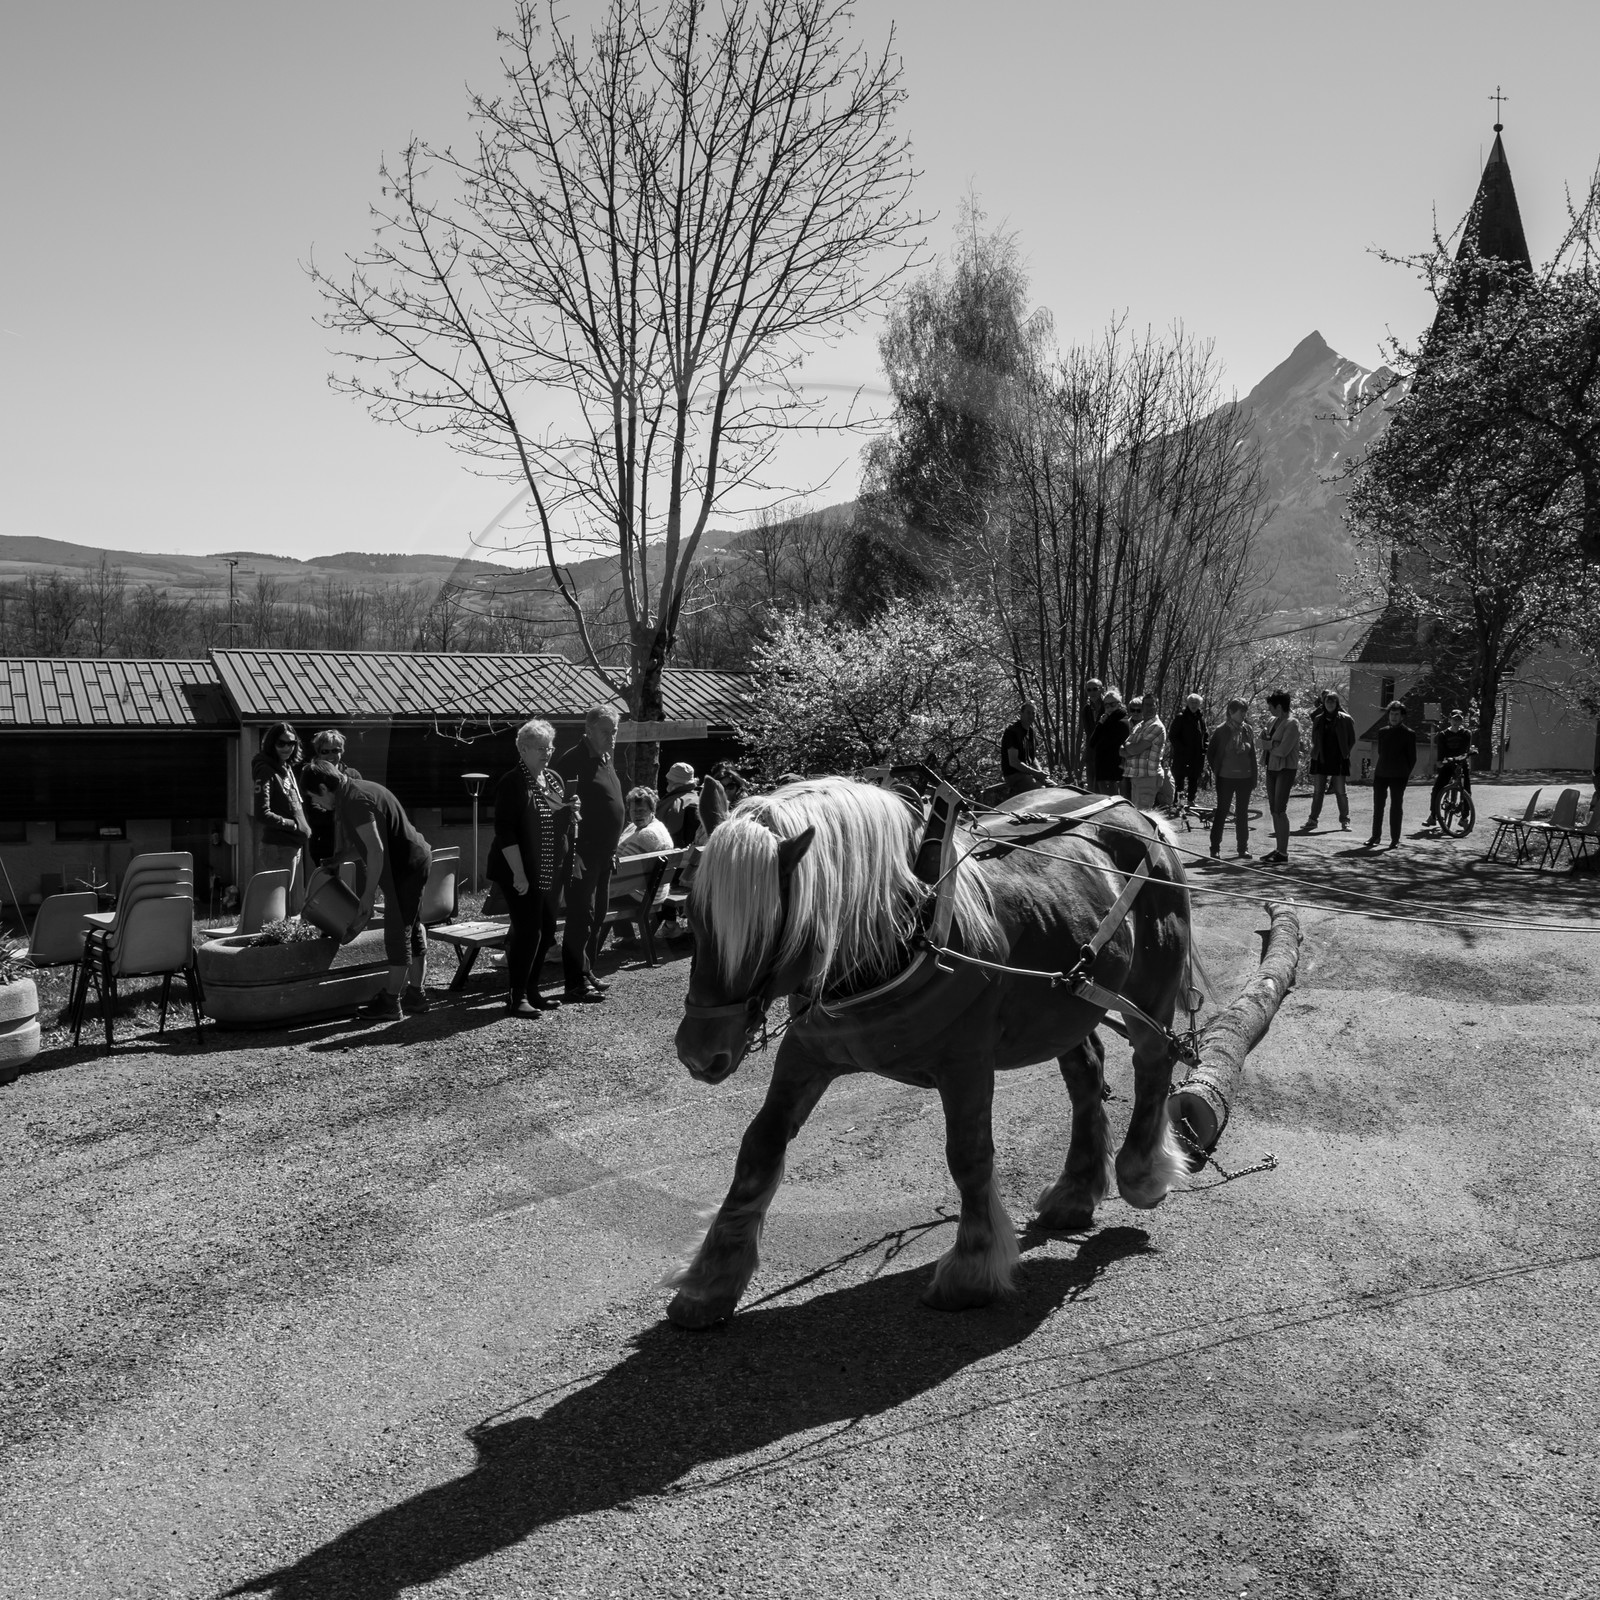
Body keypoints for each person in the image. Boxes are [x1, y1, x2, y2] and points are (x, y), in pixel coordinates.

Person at [301, 761, 433, 1018]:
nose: (315, 803)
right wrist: (339, 859)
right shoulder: (357, 789)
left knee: (397, 934)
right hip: (413, 861)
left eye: (314, 797)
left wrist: (368, 894)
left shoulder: (355, 801)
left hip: (404, 869)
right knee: (411, 927)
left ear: (323, 787)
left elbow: (375, 850)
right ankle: (415, 996)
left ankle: (390, 1002)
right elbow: (369, 844)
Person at [485, 719, 573, 1018]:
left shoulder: (553, 779)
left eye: (550, 747)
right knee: (528, 931)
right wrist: (520, 873)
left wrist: (571, 812)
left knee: (546, 929)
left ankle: (533, 990)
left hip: (549, 866)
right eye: (540, 748)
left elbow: (558, 827)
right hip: (518, 869)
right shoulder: (513, 782)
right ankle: (516, 995)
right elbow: (505, 830)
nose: (547, 753)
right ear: (522, 750)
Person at [555, 706, 627, 1004]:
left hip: (604, 854)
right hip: (581, 856)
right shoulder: (572, 762)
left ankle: (586, 969)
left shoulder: (606, 758)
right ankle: (573, 983)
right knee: (580, 918)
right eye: (606, 731)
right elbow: (559, 813)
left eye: (614, 731)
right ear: (589, 730)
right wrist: (572, 853)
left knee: (598, 916)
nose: (612, 737)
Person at [251, 722, 310, 912]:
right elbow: (262, 813)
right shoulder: (265, 770)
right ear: (271, 744)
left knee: (291, 906)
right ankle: (276, 941)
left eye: (291, 743)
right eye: (281, 743)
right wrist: (293, 825)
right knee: (277, 907)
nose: (286, 748)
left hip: (292, 846)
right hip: (277, 847)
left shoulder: (286, 768)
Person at [1206, 698, 1258, 860]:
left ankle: (1243, 848)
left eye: (1245, 711)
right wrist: (1218, 771)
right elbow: (1211, 753)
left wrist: (1254, 777)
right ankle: (1215, 848)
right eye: (1240, 711)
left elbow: (1252, 754)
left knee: (1242, 813)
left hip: (1245, 777)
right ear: (1231, 712)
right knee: (1222, 811)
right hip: (1226, 778)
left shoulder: (1247, 730)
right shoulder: (1222, 730)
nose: (1244, 714)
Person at [303, 730, 362, 866]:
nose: (331, 755)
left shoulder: (352, 774)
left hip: (352, 847)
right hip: (325, 845)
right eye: (325, 751)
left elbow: (359, 809)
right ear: (318, 752)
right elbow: (315, 813)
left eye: (335, 750)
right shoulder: (310, 775)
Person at [1259, 689, 1301, 865]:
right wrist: (1270, 744)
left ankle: (1283, 852)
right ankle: (1278, 848)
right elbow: (1264, 743)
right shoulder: (1272, 721)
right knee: (1274, 810)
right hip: (1272, 768)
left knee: (1280, 809)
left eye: (1271, 706)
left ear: (1279, 706)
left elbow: (1283, 750)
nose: (1269, 710)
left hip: (1285, 769)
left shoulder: (1292, 724)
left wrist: (1268, 745)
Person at [1369, 700, 1418, 849]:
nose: (1394, 717)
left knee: (1396, 807)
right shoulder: (1382, 732)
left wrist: (1404, 773)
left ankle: (1394, 839)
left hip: (1399, 775)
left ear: (1402, 716)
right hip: (1381, 773)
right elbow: (1380, 752)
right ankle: (1375, 836)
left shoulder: (1409, 734)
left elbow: (1412, 758)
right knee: (1378, 806)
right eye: (1391, 714)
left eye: (1397, 714)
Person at [1304, 690, 1354, 832]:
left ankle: (1345, 821)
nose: (1330, 704)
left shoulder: (1345, 719)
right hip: (1321, 758)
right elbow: (1314, 738)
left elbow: (1351, 739)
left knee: (1340, 792)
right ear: (1323, 703)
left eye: (1332, 701)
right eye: (1327, 701)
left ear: (1337, 703)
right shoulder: (1319, 719)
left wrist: (1345, 752)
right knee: (1318, 791)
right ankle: (1312, 820)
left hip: (1338, 760)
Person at [1425, 708, 1475, 828]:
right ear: (1449, 720)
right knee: (1437, 789)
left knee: (1466, 790)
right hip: (1447, 764)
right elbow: (1441, 752)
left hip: (1461, 764)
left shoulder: (1466, 734)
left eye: (1458, 720)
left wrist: (1460, 759)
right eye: (1454, 719)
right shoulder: (1443, 735)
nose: (1456, 722)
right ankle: (1433, 815)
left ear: (1461, 721)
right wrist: (1441, 762)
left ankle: (1464, 817)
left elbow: (1465, 750)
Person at [1122, 693, 1167, 810]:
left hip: (1148, 777)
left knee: (1144, 814)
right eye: (1147, 705)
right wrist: (1130, 748)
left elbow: (1133, 749)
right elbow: (1122, 750)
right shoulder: (1139, 726)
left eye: (1153, 705)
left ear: (1157, 706)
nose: (1150, 708)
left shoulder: (1157, 726)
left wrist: (1130, 748)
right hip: (1136, 776)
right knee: (1137, 814)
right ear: (1142, 706)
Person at [1087, 688, 1130, 798]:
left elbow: (1104, 745)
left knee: (1113, 804)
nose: (1110, 708)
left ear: (1119, 704)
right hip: (1103, 771)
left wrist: (1102, 727)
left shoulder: (1123, 722)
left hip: (1114, 773)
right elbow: (1092, 743)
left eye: (1113, 704)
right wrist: (1100, 723)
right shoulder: (1106, 721)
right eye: (1106, 705)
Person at [1168, 694, 1208, 812]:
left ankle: (1191, 801)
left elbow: (1205, 734)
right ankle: (1179, 804)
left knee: (1193, 779)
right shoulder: (1181, 717)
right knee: (1179, 780)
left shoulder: (1200, 718)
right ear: (1188, 703)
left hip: (1197, 755)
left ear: (1199, 704)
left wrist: (1205, 747)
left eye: (1196, 703)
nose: (1194, 705)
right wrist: (1181, 749)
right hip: (1182, 756)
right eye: (1192, 703)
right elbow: (1172, 736)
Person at [1000, 702, 1048, 796]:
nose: (1031, 716)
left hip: (1029, 774)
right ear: (1021, 714)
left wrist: (1039, 772)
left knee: (1056, 789)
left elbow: (1033, 758)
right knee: (1042, 793)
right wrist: (1036, 773)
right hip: (1014, 776)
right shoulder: (1012, 732)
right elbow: (1014, 762)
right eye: (1028, 713)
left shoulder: (1031, 731)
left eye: (1033, 713)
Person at [618, 787, 674, 856]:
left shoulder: (649, 834)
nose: (637, 815)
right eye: (634, 811)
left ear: (652, 810)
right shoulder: (632, 826)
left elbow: (624, 861)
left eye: (641, 811)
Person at [658, 762, 700, 849]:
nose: (668, 784)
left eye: (669, 781)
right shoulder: (700, 798)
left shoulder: (673, 803)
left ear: (676, 784)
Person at [1081, 679, 1105, 790]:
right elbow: (1088, 732)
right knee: (1091, 790)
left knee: (1104, 789)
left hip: (1105, 754)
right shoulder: (1086, 710)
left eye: (1095, 689)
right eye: (1089, 690)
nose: (1092, 692)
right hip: (1091, 753)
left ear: (1102, 690)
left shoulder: (1109, 706)